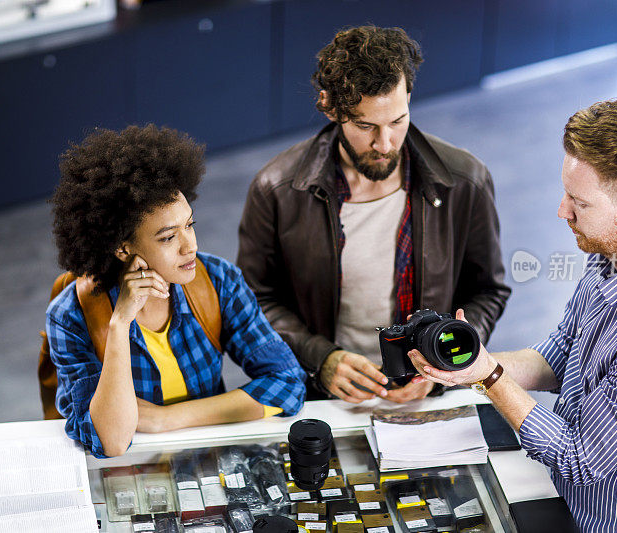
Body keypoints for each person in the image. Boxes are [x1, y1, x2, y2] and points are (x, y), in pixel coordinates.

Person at [409, 100, 617, 531]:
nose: (562, 211)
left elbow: (578, 460)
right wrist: (476, 363)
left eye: (579, 202)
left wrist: (491, 378)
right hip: (571, 504)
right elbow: (565, 351)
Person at [237, 26, 510, 403]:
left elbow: (487, 291)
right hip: (326, 393)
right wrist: (322, 359)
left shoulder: (465, 180)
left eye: (397, 121)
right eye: (366, 126)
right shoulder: (278, 189)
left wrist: (445, 363)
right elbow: (254, 300)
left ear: (409, 97)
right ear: (330, 106)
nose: (385, 144)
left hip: (430, 392)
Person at [46, 125, 306, 458]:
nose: (191, 246)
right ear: (123, 249)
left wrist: (166, 419)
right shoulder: (71, 317)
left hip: (211, 463)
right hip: (131, 475)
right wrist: (120, 324)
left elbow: (287, 382)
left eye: (189, 225)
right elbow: (109, 441)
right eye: (168, 237)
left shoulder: (217, 280)